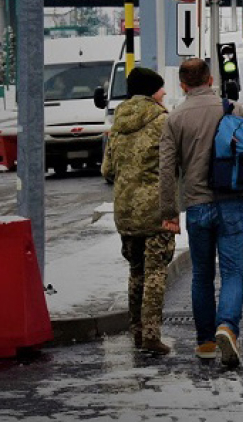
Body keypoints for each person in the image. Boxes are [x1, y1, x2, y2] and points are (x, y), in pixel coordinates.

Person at [160, 57, 243, 369]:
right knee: (231, 272)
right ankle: (227, 327)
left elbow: (167, 170)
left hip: (197, 206)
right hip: (231, 204)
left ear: (183, 85)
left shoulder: (175, 118)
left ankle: (206, 342)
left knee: (201, 275)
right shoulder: (232, 109)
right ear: (210, 80)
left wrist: (170, 212)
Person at [101, 67, 173, 355]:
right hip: (156, 209)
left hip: (125, 210)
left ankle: (137, 332)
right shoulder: (162, 121)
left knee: (136, 271)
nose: (165, 93)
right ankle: (152, 335)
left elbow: (107, 170)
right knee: (156, 271)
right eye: (160, 89)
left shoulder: (117, 123)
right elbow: (173, 164)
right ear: (150, 92)